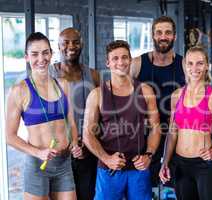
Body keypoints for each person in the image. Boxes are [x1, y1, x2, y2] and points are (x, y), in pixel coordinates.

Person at [6, 32, 82, 200]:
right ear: (26, 57)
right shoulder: (19, 90)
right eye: (35, 54)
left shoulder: (63, 84)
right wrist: (38, 153)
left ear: (51, 54)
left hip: (64, 164)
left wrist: (75, 143)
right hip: (37, 166)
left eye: (45, 52)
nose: (41, 58)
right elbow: (9, 137)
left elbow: (71, 123)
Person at [83, 40, 161, 200]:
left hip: (138, 169)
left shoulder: (146, 91)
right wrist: (106, 159)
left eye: (125, 57)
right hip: (109, 169)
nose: (121, 62)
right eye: (115, 58)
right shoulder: (97, 94)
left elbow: (155, 128)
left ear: (130, 60)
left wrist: (149, 154)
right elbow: (87, 134)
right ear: (108, 63)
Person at [159, 46, 212, 200]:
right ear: (185, 66)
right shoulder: (176, 96)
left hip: (205, 166)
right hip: (180, 165)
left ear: (206, 66)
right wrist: (166, 162)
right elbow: (172, 133)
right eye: (190, 63)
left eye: (199, 63)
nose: (194, 68)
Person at [130, 15, 185, 189]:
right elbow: (123, 96)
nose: (163, 36)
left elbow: (197, 99)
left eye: (168, 32)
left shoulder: (184, 64)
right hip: (145, 137)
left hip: (176, 136)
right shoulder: (138, 63)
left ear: (175, 36)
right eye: (159, 32)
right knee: (146, 188)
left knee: (174, 188)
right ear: (153, 35)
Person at [49, 27, 100, 200]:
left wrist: (87, 144)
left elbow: (100, 114)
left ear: (82, 45)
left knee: (87, 195)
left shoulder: (93, 75)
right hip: (58, 151)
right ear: (58, 46)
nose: (71, 46)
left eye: (76, 42)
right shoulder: (49, 74)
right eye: (66, 42)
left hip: (87, 150)